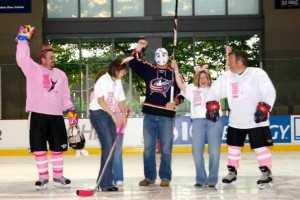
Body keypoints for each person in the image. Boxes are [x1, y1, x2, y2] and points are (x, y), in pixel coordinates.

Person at [15, 25, 78, 190]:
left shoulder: (61, 74)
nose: (53, 60)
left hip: (56, 116)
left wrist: (70, 109)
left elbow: (65, 96)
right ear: (42, 59)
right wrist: (23, 41)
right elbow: (22, 59)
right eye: (50, 57)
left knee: (58, 148)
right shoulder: (33, 70)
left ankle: (58, 177)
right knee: (39, 149)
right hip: (38, 115)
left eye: (54, 57)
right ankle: (43, 178)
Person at [206, 49, 276, 188]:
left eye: (231, 61)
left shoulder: (257, 74)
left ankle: (265, 172)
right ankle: (232, 172)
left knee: (260, 147)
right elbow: (214, 91)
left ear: (240, 62)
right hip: (236, 120)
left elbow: (269, 91)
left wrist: (264, 107)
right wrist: (212, 105)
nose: (229, 63)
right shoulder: (226, 77)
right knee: (233, 147)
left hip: (256, 121)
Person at [123, 39, 184, 187]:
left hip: (166, 116)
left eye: (164, 55)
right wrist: (139, 47)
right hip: (150, 114)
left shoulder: (174, 74)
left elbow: (183, 92)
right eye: (158, 55)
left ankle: (165, 177)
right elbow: (133, 62)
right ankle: (149, 177)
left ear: (168, 57)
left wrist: (175, 102)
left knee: (166, 148)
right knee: (149, 148)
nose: (161, 57)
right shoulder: (149, 69)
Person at [172, 62, 223, 188]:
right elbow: (180, 84)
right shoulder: (192, 89)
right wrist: (176, 70)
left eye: (205, 78)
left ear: (209, 78)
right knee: (196, 152)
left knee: (214, 152)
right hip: (197, 122)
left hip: (214, 121)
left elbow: (226, 76)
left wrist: (228, 56)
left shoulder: (215, 88)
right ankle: (201, 179)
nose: (203, 80)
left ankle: (212, 180)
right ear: (197, 79)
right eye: (201, 78)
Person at [89, 61, 127, 192]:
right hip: (98, 113)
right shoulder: (103, 80)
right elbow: (100, 101)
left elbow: (121, 100)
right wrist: (114, 116)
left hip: (108, 113)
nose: (125, 73)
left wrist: (124, 115)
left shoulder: (118, 81)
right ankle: (105, 183)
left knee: (112, 148)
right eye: (123, 71)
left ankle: (104, 181)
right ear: (116, 71)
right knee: (109, 146)